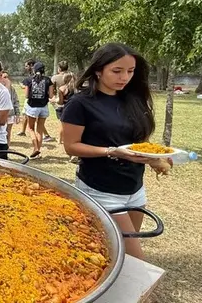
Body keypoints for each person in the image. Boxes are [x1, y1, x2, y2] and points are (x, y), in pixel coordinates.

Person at [61, 43, 160, 260]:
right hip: (101, 189)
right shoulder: (80, 103)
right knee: (132, 258)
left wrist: (156, 158)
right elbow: (71, 146)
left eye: (130, 71)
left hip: (134, 188)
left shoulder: (132, 99)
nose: (124, 77)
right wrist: (112, 152)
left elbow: (140, 139)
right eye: (117, 71)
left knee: (123, 255)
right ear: (98, 70)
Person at [23, 62, 55, 158]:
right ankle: (37, 152)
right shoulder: (48, 80)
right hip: (43, 107)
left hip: (32, 107)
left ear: (34, 69)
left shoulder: (29, 79)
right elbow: (50, 95)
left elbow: (26, 95)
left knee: (31, 128)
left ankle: (35, 148)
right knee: (39, 130)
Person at [0, 71, 21, 144]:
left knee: (8, 133)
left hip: (10, 114)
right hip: (1, 114)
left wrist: (17, 114)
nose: (7, 79)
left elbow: (16, 101)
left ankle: (7, 148)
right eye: (4, 77)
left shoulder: (12, 89)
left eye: (7, 77)